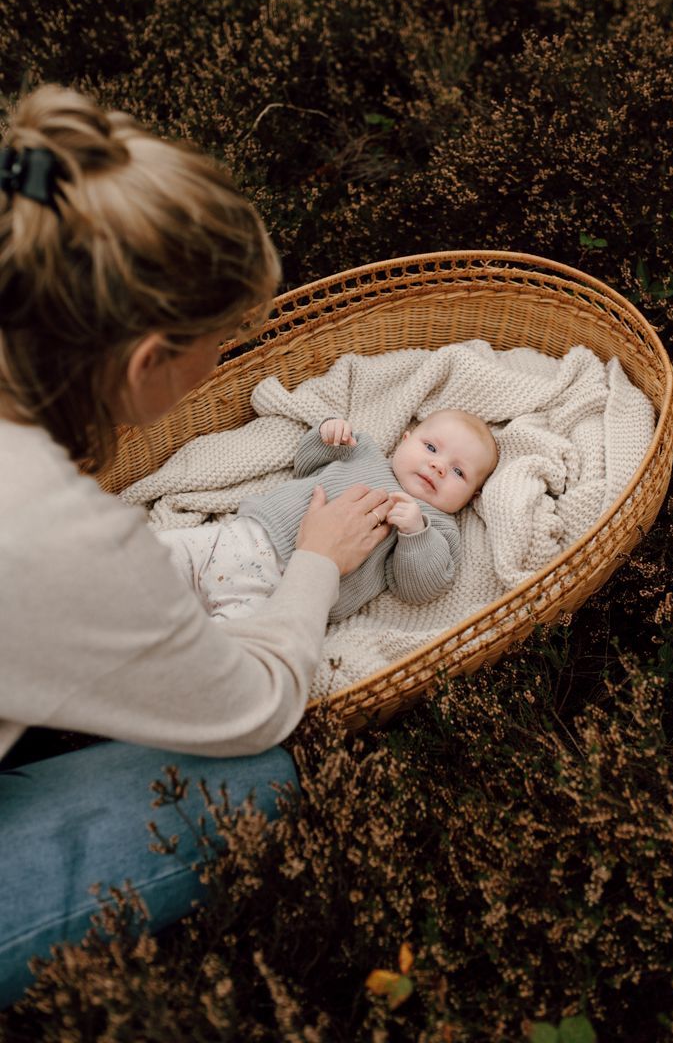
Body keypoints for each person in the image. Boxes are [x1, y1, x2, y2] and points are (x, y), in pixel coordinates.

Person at [0, 85, 393, 1008]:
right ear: (147, 360)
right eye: (222, 347)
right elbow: (257, 707)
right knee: (256, 779)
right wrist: (316, 564)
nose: (223, 367)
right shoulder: (55, 527)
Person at [159, 409, 499, 622]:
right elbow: (305, 465)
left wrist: (415, 533)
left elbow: (419, 589)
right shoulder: (364, 453)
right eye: (430, 448)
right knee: (150, 554)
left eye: (458, 472)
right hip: (237, 537)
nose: (438, 466)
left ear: (473, 497)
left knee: (221, 648)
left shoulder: (436, 526)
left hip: (279, 591)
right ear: (404, 440)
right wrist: (327, 436)